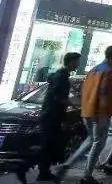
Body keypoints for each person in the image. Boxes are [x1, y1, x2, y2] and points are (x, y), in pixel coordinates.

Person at [57, 45, 112, 184]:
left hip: (87, 111)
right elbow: (104, 93)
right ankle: (87, 176)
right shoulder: (108, 71)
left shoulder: (94, 69)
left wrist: (84, 108)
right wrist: (106, 112)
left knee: (90, 140)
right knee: (99, 143)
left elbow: (84, 90)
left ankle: (67, 165)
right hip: (100, 113)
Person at [36, 52, 82, 182]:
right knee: (48, 144)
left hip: (52, 115)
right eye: (77, 61)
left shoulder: (60, 75)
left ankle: (45, 171)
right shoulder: (61, 77)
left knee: (50, 144)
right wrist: (74, 105)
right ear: (71, 62)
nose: (78, 64)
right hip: (52, 116)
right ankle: (43, 173)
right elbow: (60, 97)